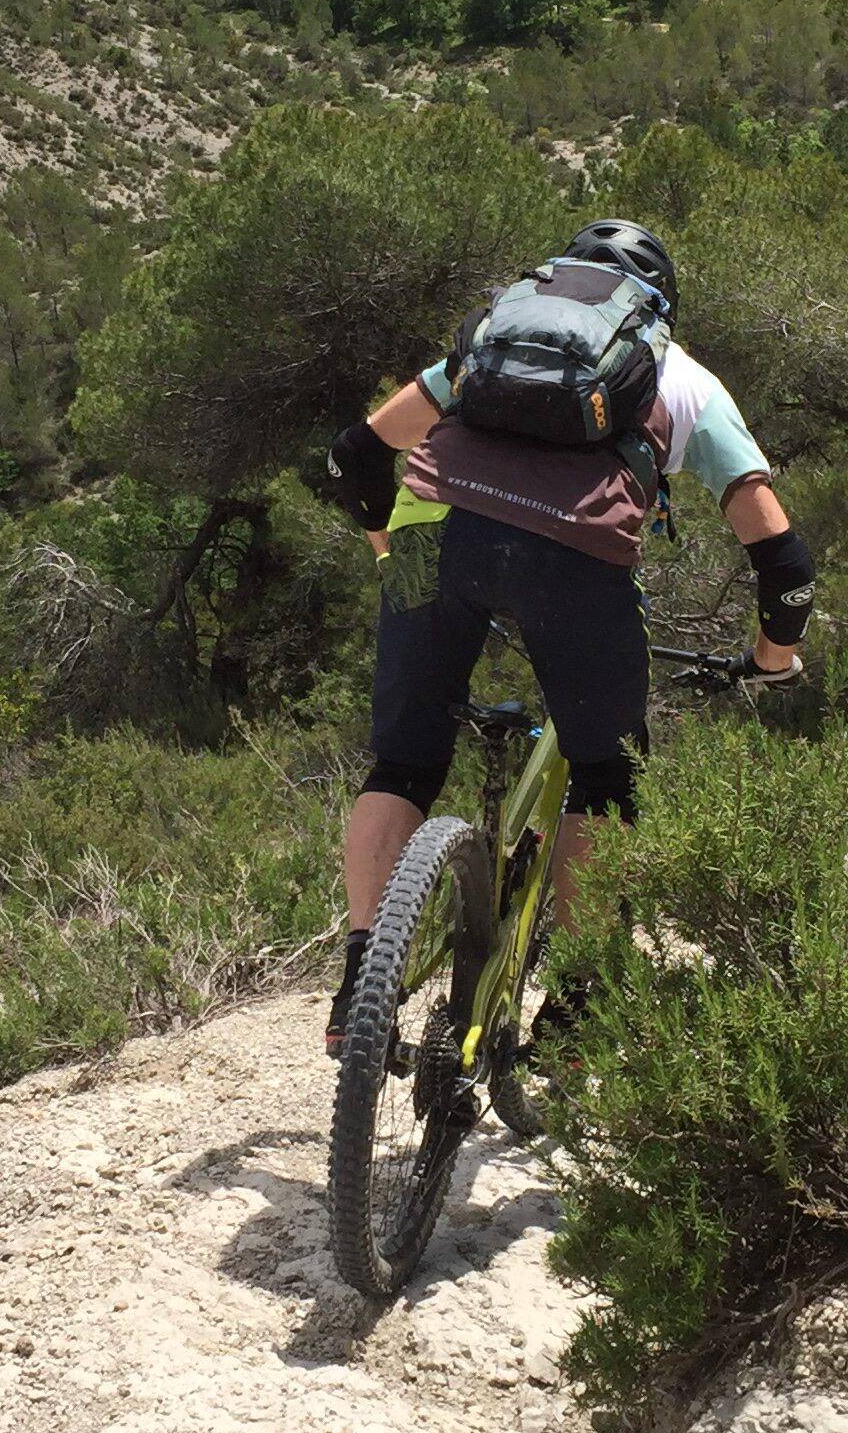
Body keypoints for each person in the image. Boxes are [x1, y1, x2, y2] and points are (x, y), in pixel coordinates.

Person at [313, 219, 814, 1054]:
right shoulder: (682, 377)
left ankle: (359, 983)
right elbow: (782, 558)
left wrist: (390, 561)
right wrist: (773, 656)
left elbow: (352, 455)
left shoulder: (493, 339)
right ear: (659, 305)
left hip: (427, 537)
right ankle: (577, 1007)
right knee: (609, 770)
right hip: (573, 557)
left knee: (402, 762)